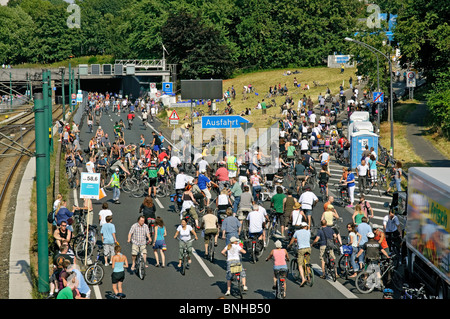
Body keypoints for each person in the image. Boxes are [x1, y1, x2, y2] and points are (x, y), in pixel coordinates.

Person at [287, 222, 311, 286]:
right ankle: (309, 277)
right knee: (307, 263)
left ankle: (303, 279)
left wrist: (289, 245)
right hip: (308, 248)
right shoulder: (308, 232)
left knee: (300, 264)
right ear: (305, 226)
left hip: (301, 249)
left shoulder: (297, 232)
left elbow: (292, 240)